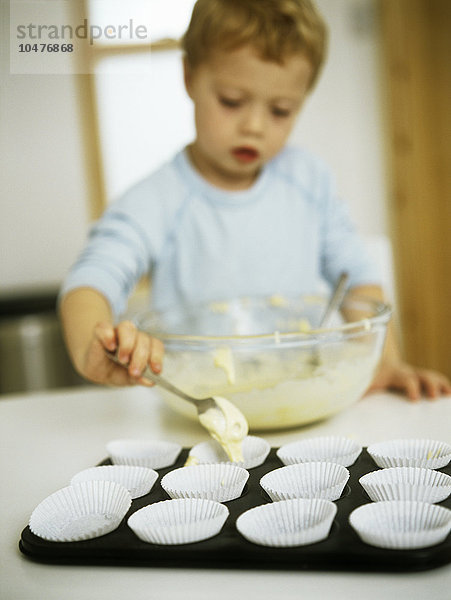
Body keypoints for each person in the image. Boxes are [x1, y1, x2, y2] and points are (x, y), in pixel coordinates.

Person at [59, 0, 451, 401]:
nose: (254, 126)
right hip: (198, 407)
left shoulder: (309, 181)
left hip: (303, 396)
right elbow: (91, 281)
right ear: (189, 77)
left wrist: (385, 362)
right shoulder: (156, 198)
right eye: (231, 101)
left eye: (281, 111)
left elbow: (357, 280)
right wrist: (93, 341)